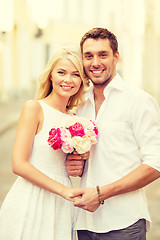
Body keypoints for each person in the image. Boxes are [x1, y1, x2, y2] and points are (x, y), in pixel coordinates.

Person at [65, 27, 160, 240]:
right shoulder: (79, 104)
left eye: (103, 54)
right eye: (89, 56)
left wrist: (101, 194)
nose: (95, 62)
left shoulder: (138, 101)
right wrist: (75, 164)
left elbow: (155, 164)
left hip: (123, 223)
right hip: (85, 223)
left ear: (116, 57)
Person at [0, 46, 89, 240]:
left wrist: (80, 161)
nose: (68, 80)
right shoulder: (34, 108)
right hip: (31, 197)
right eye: (61, 72)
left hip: (61, 205)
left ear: (82, 81)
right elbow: (19, 164)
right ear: (50, 76)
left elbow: (71, 164)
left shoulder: (77, 119)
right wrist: (63, 190)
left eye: (75, 74)